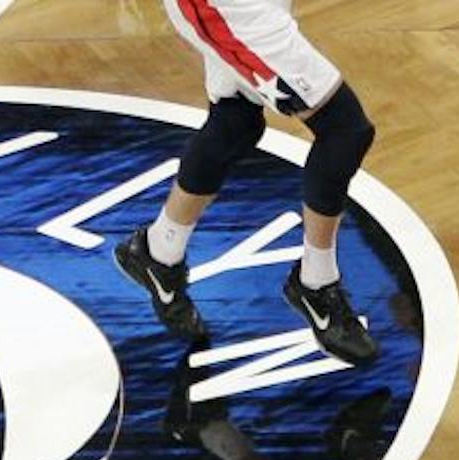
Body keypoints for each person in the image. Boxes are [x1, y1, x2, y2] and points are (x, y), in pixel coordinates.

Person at [114, 0, 380, 364]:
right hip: (230, 8)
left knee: (235, 122)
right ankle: (316, 282)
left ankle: (159, 249)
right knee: (344, 130)